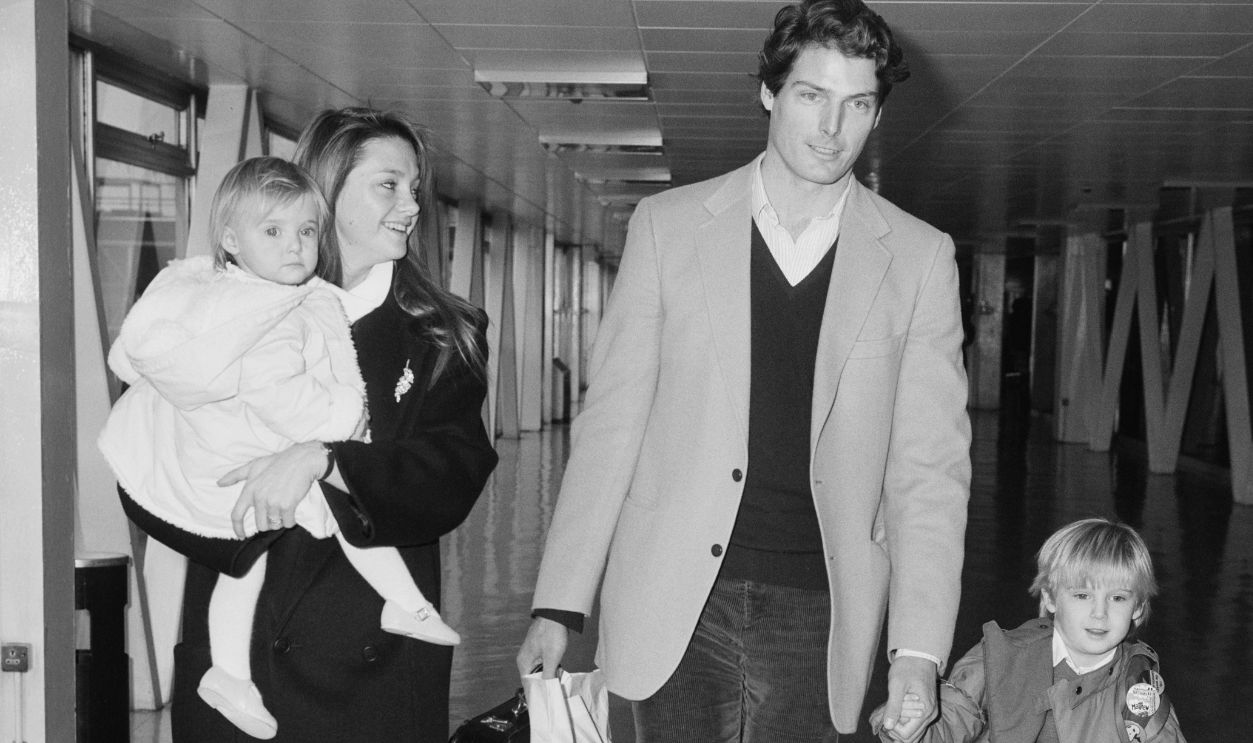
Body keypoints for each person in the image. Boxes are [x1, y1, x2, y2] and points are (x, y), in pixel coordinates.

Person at [516, 1, 971, 740]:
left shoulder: (919, 259)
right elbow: (612, 425)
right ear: (768, 92)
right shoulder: (668, 227)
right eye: (811, 95)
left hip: (822, 606)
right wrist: (559, 604)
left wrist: (917, 650)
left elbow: (929, 470)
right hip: (674, 594)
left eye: (857, 104)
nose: (832, 127)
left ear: (878, 114)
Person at [119, 108, 497, 742]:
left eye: (414, 188)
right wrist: (226, 499)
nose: (411, 205)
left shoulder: (441, 332)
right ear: (327, 188)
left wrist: (327, 460)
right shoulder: (218, 308)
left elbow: (452, 476)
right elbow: (141, 466)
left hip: (371, 680)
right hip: (239, 667)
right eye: (388, 184)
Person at [870, 518, 1187, 742]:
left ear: (1137, 608)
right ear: (1050, 597)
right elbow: (951, 720)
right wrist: (911, 727)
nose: (1100, 613)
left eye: (1118, 598)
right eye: (1082, 595)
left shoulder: (1139, 688)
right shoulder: (1001, 656)